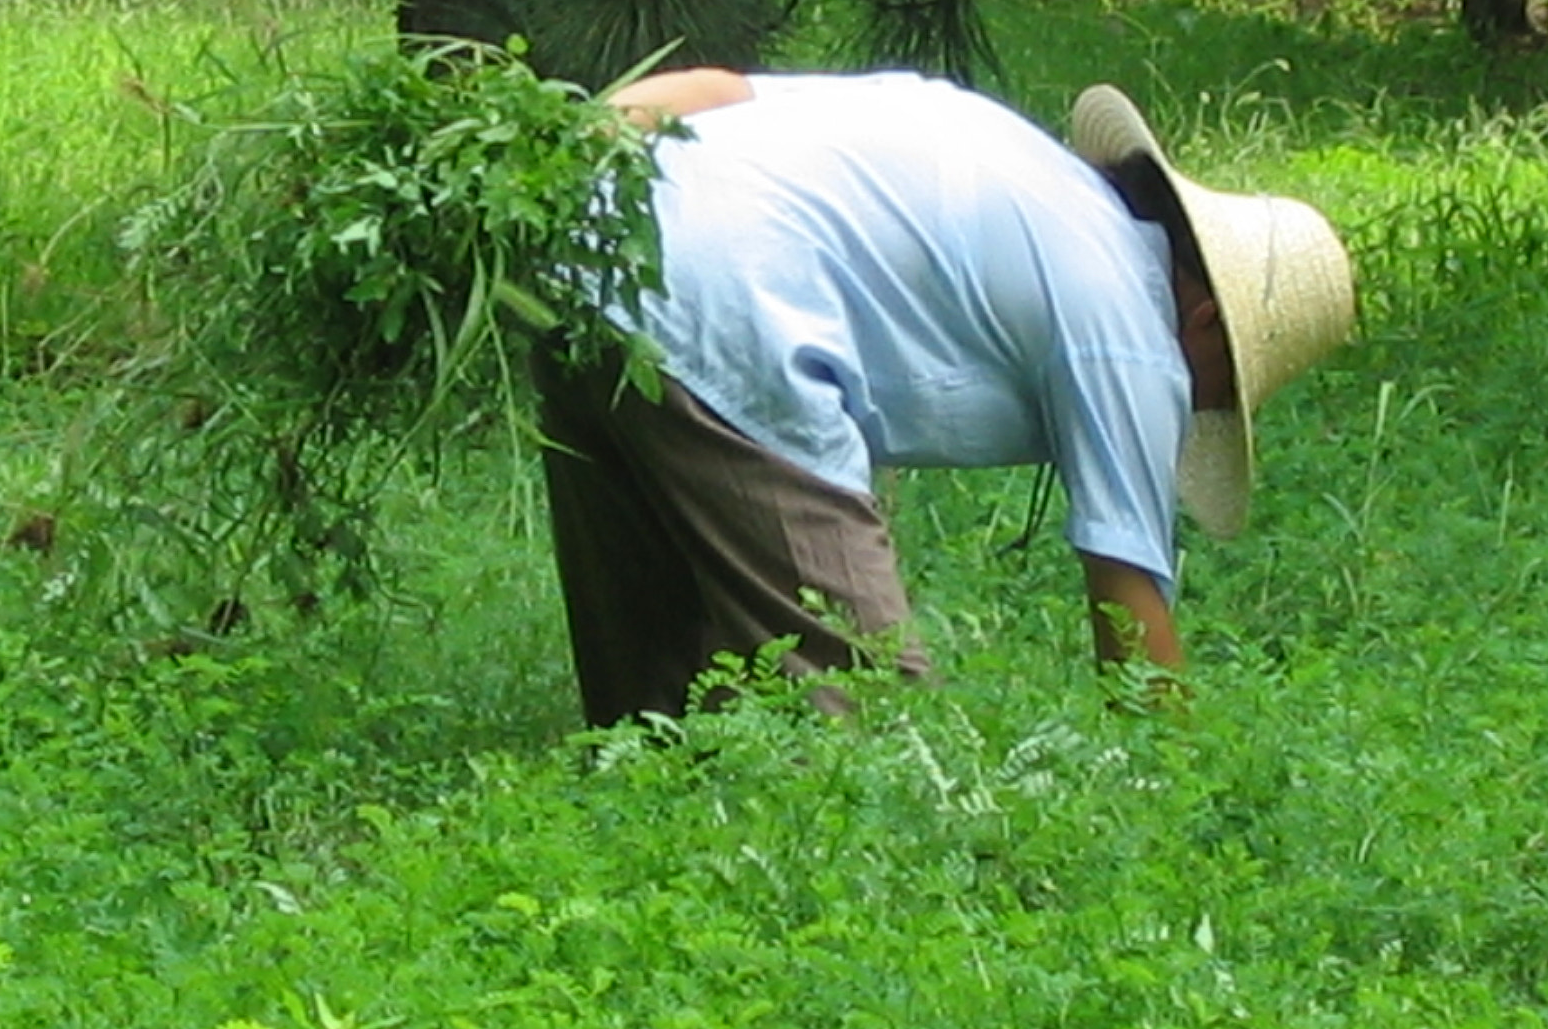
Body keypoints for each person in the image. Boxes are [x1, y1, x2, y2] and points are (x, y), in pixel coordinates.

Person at [532, 68, 1354, 727]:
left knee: (652, 697)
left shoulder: (1025, 161)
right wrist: (1185, 795)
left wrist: (566, 156)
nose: (1196, 410)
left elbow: (712, 87)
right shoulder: (1134, 336)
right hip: (742, 306)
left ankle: (647, 811)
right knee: (867, 725)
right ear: (1208, 324)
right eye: (1225, 392)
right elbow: (1129, 601)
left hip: (595, 252)